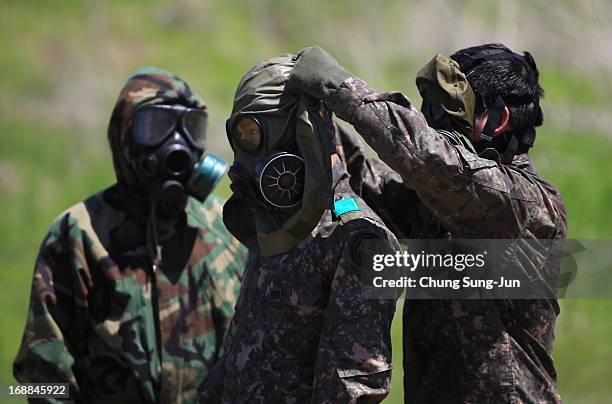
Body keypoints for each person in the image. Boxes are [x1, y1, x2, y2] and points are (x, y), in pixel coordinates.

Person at [287, 44, 567, 403]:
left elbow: (429, 157)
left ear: (498, 121)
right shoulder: (450, 202)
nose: (432, 121)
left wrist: (337, 86)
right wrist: (315, 119)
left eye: (446, 111)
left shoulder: (524, 205)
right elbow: (369, 182)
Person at [13, 66, 246, 403]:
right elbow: (39, 380)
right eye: (156, 127)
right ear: (124, 136)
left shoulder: (229, 229)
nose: (177, 144)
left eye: (191, 128)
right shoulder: (79, 235)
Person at [198, 55, 398, 403]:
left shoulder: (355, 239)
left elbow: (351, 388)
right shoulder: (273, 221)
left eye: (255, 134)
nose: (247, 154)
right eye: (241, 135)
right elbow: (241, 353)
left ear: (297, 132)